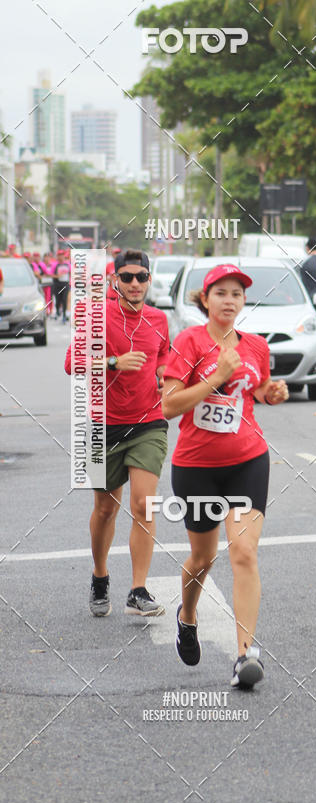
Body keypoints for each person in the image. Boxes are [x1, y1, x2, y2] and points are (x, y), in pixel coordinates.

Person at [161, 264, 288, 688]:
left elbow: (257, 389)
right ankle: (188, 614)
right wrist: (215, 375)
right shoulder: (189, 341)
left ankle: (244, 655)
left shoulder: (254, 345)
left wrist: (272, 393)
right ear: (205, 298)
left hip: (248, 461)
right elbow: (169, 406)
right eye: (221, 293)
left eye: (237, 293)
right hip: (196, 467)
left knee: (244, 553)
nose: (230, 300)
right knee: (203, 558)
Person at [64, 248, 170, 618]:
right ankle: (99, 576)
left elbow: (164, 361)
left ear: (149, 280)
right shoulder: (95, 315)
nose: (135, 283)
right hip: (99, 426)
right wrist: (113, 362)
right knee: (106, 508)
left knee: (143, 504)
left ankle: (138, 589)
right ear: (114, 281)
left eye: (142, 277)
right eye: (127, 277)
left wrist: (163, 380)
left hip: (148, 423)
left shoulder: (159, 319)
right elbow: (71, 363)